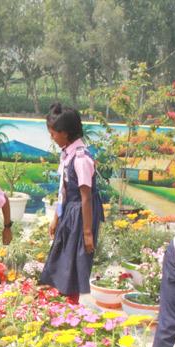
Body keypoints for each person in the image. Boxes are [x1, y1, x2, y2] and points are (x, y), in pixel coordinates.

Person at [39, 103, 103, 304]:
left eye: (54, 134)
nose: (52, 138)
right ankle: (63, 300)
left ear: (65, 133)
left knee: (76, 259)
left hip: (81, 214)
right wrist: (56, 217)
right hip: (70, 211)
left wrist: (87, 233)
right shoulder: (67, 153)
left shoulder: (81, 158)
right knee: (62, 255)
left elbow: (86, 196)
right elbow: (63, 190)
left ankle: (72, 304)